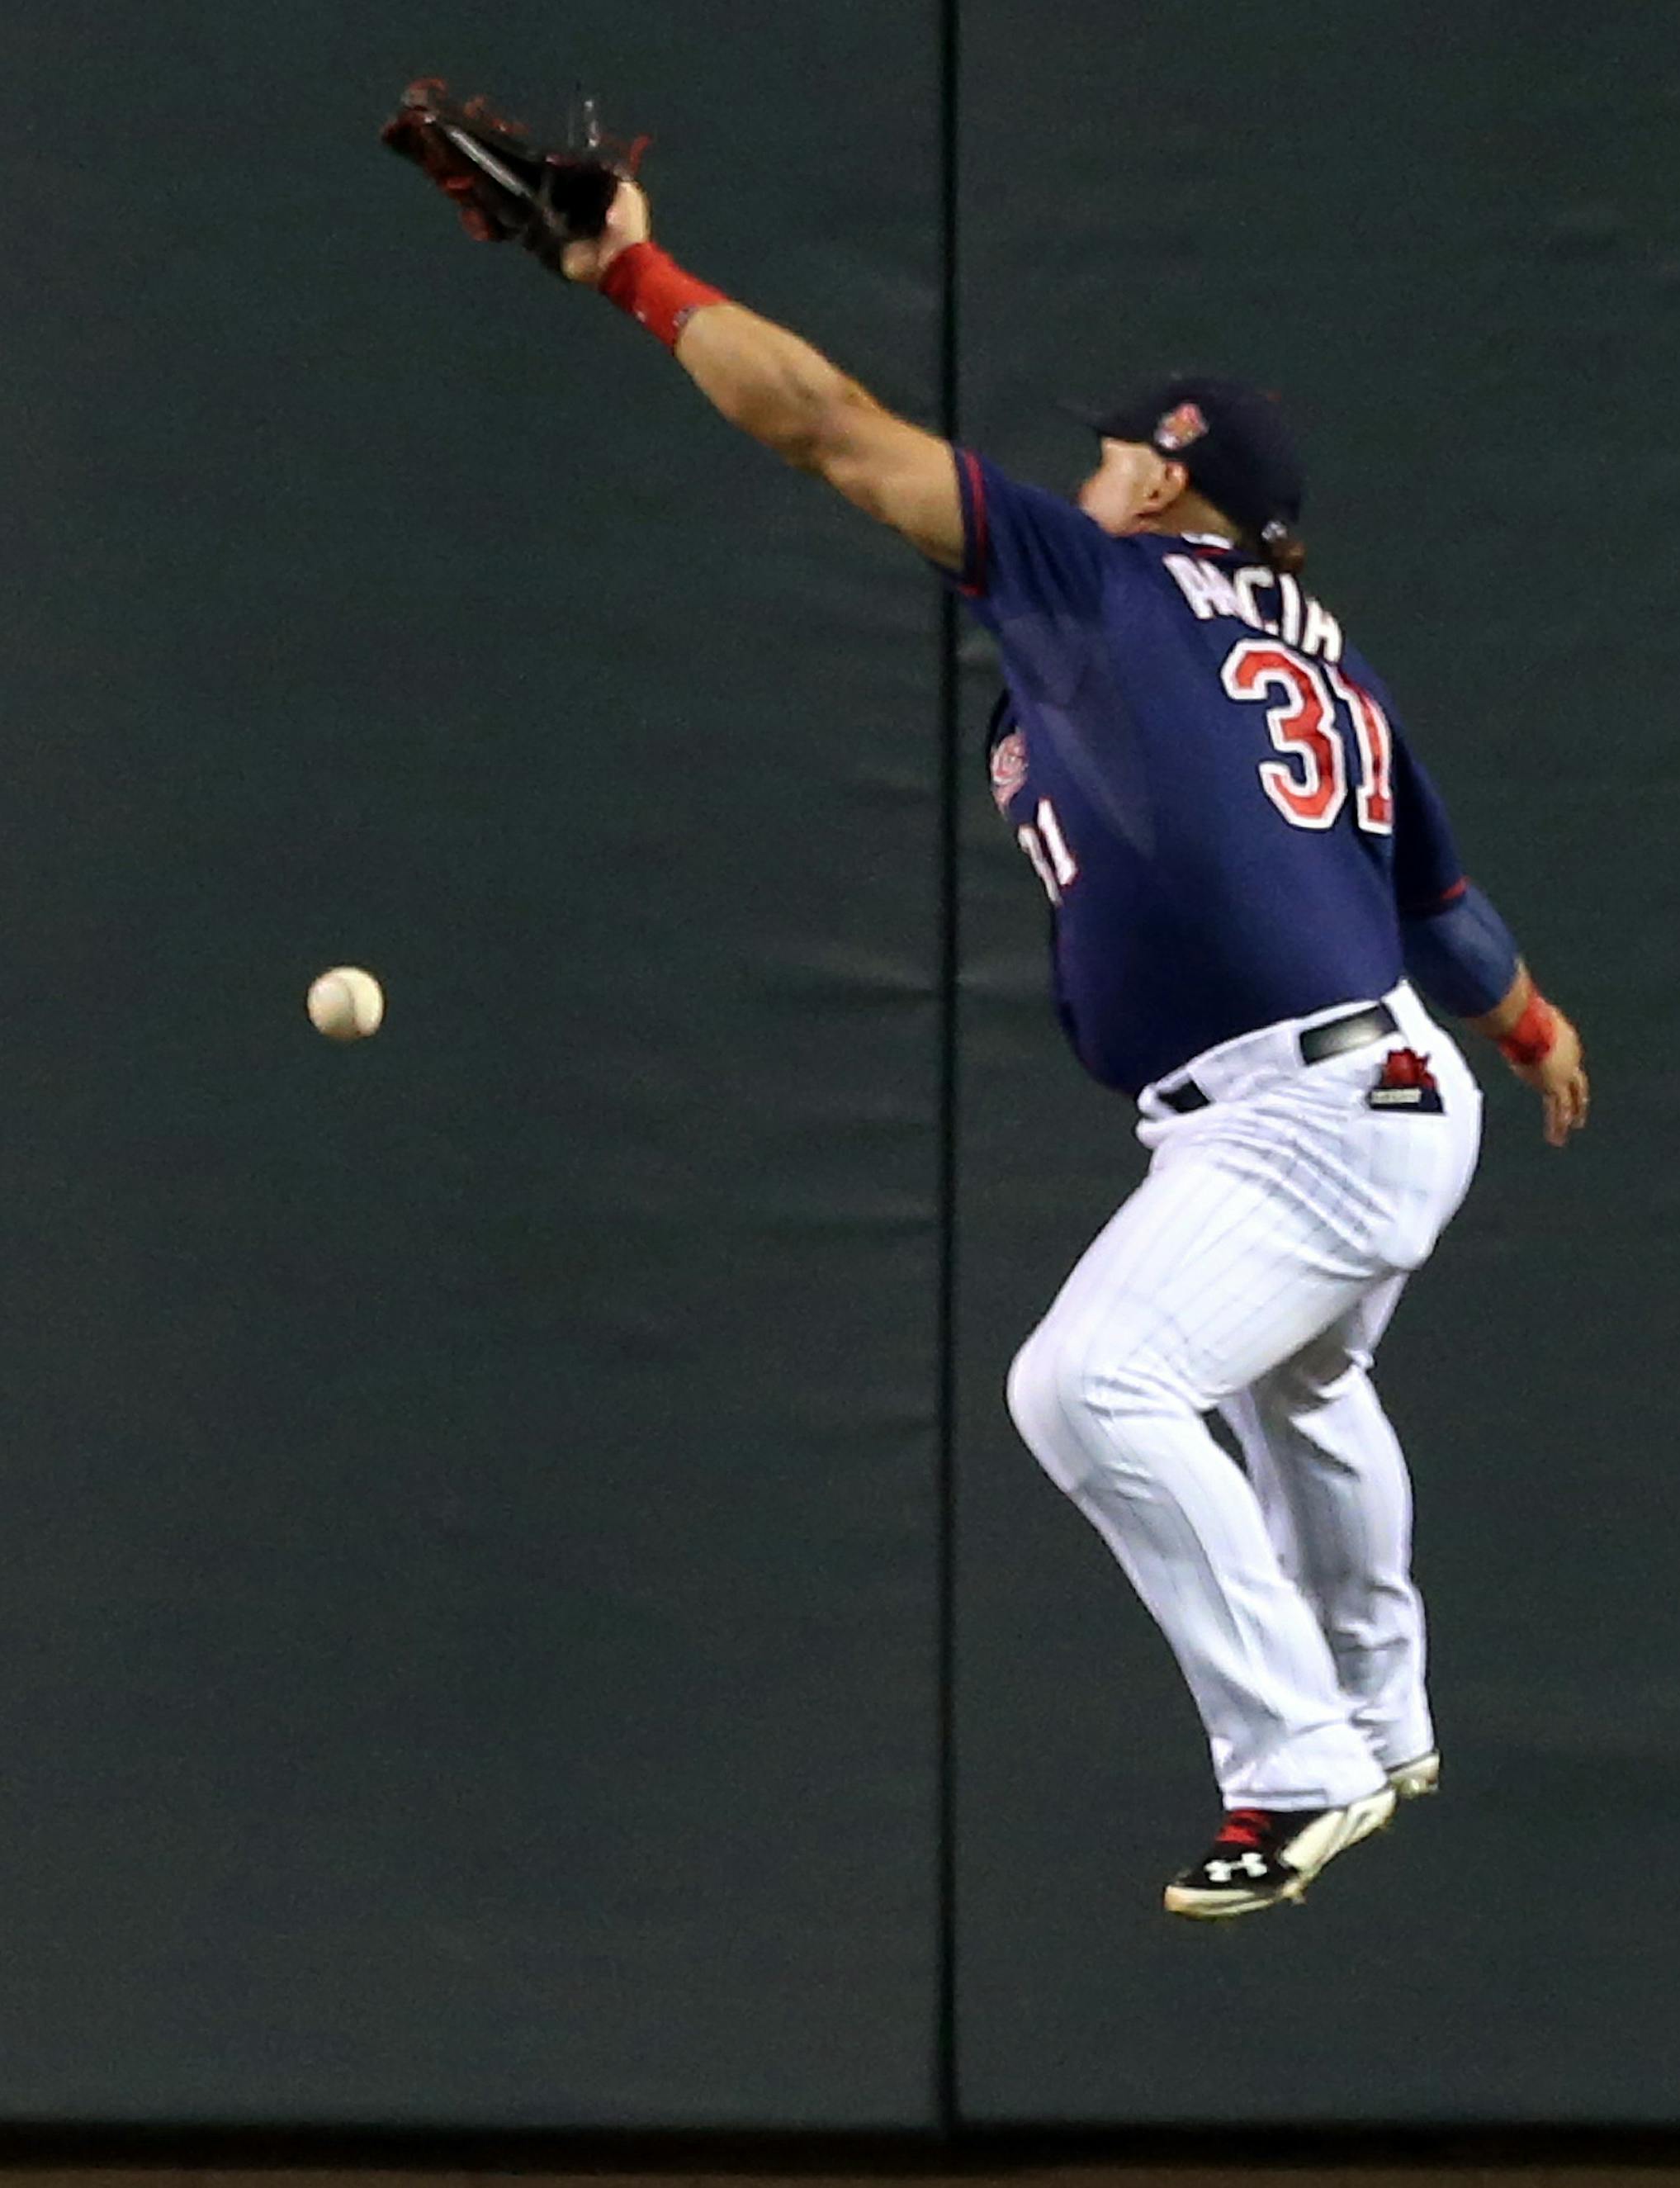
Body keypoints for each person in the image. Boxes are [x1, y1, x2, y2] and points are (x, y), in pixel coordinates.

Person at [561, 180, 1588, 1920]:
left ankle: (1299, 1767)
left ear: (1169, 477)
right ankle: (1389, 1714)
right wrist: (1534, 1025)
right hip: (1386, 1075)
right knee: (1313, 1386)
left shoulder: (1104, 581)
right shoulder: (1332, 668)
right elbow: (1447, 902)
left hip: (1303, 1110)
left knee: (1087, 1386)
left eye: (1115, 453)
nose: (1092, 472)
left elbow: (819, 422)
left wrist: (630, 271)